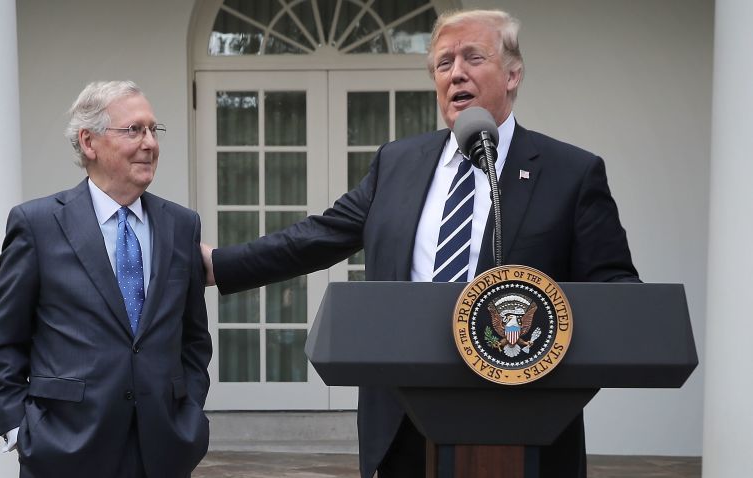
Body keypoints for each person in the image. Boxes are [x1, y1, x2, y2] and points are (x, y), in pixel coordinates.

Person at [203, 9, 638, 478]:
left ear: (513, 75)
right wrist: (219, 265)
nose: (456, 73)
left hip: (524, 418)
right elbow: (318, 235)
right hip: (404, 419)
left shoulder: (570, 173)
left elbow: (615, 290)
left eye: (474, 57)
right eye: (444, 63)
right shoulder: (398, 162)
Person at [0, 81, 212, 478]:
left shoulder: (181, 225)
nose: (149, 143)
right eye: (134, 130)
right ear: (89, 142)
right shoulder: (37, 225)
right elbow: (4, 341)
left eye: (153, 130)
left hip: (163, 450)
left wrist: (190, 415)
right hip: (64, 451)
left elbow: (193, 338)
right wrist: (19, 430)